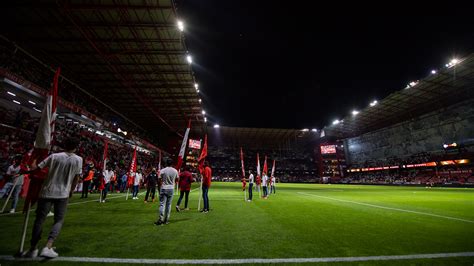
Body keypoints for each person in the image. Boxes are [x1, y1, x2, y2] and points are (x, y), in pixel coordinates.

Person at [22, 137, 82, 258]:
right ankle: (48, 246)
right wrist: (71, 190)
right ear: (76, 147)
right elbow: (76, 178)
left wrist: (33, 158)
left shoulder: (54, 156)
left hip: (46, 191)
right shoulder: (78, 159)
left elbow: (36, 169)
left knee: (39, 220)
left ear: (64, 144)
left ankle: (32, 248)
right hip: (63, 193)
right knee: (58, 220)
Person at [155, 159, 178, 225]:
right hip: (171, 188)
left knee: (162, 204)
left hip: (164, 187)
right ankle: (166, 219)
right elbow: (177, 179)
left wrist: (160, 187)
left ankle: (160, 219)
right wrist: (173, 183)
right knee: (169, 204)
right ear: (172, 164)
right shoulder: (175, 170)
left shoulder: (163, 170)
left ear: (166, 163)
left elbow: (159, 179)